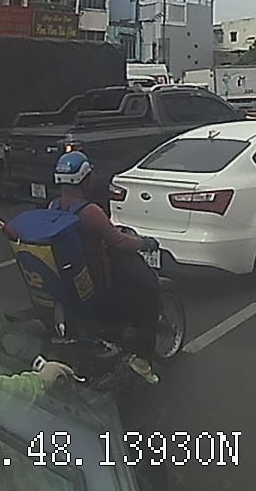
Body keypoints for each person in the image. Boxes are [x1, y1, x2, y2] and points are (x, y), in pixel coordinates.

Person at [52, 151, 160, 360]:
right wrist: (144, 243)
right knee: (147, 296)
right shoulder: (90, 212)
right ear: (84, 180)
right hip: (99, 287)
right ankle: (144, 358)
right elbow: (119, 241)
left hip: (71, 285)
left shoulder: (55, 206)